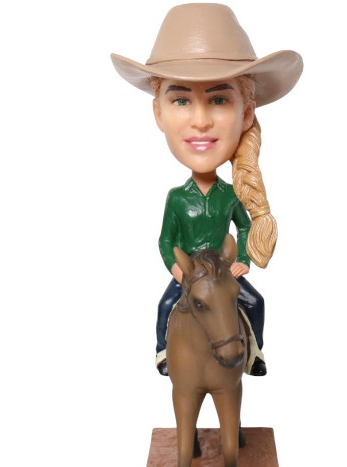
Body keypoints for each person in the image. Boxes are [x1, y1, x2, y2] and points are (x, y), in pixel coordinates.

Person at [111, 3, 303, 376]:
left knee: (255, 302)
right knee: (165, 306)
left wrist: (242, 258)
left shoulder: (230, 195)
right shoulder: (177, 198)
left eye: (218, 99)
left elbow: (245, 226)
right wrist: (175, 268)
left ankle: (255, 352)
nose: (200, 121)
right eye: (181, 100)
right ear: (159, 114)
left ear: (246, 113)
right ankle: (163, 351)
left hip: (223, 273)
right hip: (189, 274)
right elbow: (166, 240)